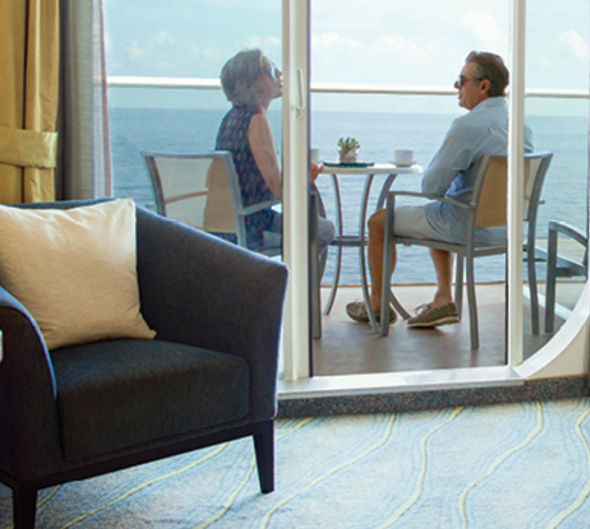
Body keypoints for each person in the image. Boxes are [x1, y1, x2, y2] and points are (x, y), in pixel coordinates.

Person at [348, 51, 531, 329]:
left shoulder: (466, 126)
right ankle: (443, 298)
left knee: (379, 222)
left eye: (461, 80)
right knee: (439, 209)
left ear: (484, 86)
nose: (456, 87)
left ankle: (376, 304)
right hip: (509, 227)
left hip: (466, 225)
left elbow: (432, 186)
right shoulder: (522, 125)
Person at [214, 49, 334, 251]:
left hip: (227, 224)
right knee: (323, 229)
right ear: (254, 82)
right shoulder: (256, 121)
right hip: (253, 228)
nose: (279, 73)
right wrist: (306, 177)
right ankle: (291, 281)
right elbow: (278, 189)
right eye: (270, 69)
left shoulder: (230, 119)